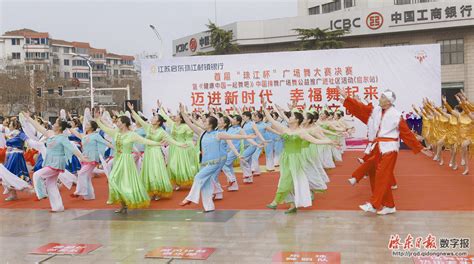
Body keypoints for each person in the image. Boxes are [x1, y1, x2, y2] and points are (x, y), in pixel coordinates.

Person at [338, 88, 432, 215]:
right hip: (378, 147)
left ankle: (373, 204)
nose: (379, 99)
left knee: (382, 176)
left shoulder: (396, 115)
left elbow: (406, 134)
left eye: (382, 97)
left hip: (389, 149)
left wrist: (420, 148)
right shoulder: (377, 110)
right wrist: (347, 99)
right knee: (375, 174)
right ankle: (389, 205)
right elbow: (362, 109)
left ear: (388, 101)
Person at [178, 104, 256, 212]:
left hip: (215, 163)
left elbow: (232, 137)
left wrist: (247, 136)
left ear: (210, 125)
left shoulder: (218, 134)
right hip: (204, 163)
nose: (203, 123)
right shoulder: (202, 133)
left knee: (198, 177)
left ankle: (190, 198)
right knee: (206, 184)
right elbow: (189, 123)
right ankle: (209, 207)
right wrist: (183, 113)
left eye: (205, 122)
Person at [262, 102, 335, 214]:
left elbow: (316, 141)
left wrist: (330, 141)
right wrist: (264, 107)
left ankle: (275, 201)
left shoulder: (302, 132)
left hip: (296, 159)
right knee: (288, 179)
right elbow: (271, 120)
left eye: (291, 116)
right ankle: (292, 205)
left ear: (296, 120)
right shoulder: (285, 129)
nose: (289, 117)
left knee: (286, 179)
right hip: (285, 158)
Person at [95, 111, 163, 213]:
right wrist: (97, 120)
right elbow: (104, 128)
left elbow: (145, 141)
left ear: (124, 123)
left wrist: (158, 143)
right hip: (118, 159)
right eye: (117, 121)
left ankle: (126, 203)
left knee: (124, 182)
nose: (117, 123)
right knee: (114, 180)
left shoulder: (132, 135)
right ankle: (123, 205)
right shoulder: (116, 133)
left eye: (118, 121)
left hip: (126, 161)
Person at [22, 112, 90, 212]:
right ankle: (58, 207)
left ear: (59, 127)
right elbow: (38, 127)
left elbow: (72, 148)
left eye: (55, 124)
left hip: (57, 163)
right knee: (51, 185)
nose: (53, 125)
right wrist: (28, 118)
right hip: (50, 162)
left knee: (37, 174)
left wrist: (82, 157)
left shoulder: (62, 138)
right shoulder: (50, 134)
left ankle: (41, 194)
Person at [128, 102, 188, 200]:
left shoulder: (162, 132)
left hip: (156, 153)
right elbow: (138, 119)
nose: (152, 119)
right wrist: (132, 110)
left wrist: (180, 144)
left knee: (156, 171)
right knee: (148, 171)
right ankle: (152, 191)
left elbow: (171, 140)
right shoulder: (148, 127)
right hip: (148, 153)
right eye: (153, 117)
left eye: (154, 118)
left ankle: (158, 191)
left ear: (159, 122)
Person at [158, 100, 199, 189]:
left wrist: (192, 143)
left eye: (176, 116)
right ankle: (177, 182)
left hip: (182, 147)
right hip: (173, 147)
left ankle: (184, 180)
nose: (174, 117)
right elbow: (165, 117)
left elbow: (195, 133)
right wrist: (160, 108)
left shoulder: (186, 126)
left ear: (180, 118)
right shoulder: (172, 124)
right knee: (172, 165)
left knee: (181, 165)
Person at [70, 120, 112, 200]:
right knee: (87, 177)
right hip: (85, 157)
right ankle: (89, 196)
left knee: (82, 173)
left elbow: (105, 142)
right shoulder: (85, 136)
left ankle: (79, 192)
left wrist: (116, 148)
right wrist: (69, 127)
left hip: (92, 158)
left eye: (88, 124)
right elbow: (77, 134)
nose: (85, 125)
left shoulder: (96, 135)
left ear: (92, 127)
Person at [3, 119, 29, 201]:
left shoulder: (19, 133)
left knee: (10, 173)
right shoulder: (10, 134)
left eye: (10, 124)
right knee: (8, 174)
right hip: (10, 155)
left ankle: (27, 189)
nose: (9, 125)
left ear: (14, 126)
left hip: (16, 155)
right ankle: (13, 194)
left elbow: (26, 139)